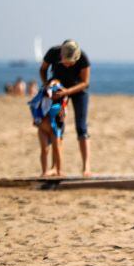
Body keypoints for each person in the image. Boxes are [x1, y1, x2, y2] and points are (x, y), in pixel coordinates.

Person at [40, 40, 92, 177]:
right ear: (61, 56)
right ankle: (55, 167)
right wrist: (46, 84)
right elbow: (43, 69)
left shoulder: (83, 58)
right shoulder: (53, 53)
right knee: (57, 127)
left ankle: (86, 167)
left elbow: (85, 83)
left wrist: (67, 92)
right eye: (65, 61)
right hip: (59, 91)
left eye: (71, 62)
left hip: (78, 91)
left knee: (81, 127)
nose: (68, 65)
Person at [28, 81, 69, 177]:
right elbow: (34, 107)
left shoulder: (61, 102)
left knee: (57, 149)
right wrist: (36, 120)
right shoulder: (42, 99)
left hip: (55, 127)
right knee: (44, 149)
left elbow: (63, 115)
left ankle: (59, 170)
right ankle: (44, 171)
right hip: (43, 128)